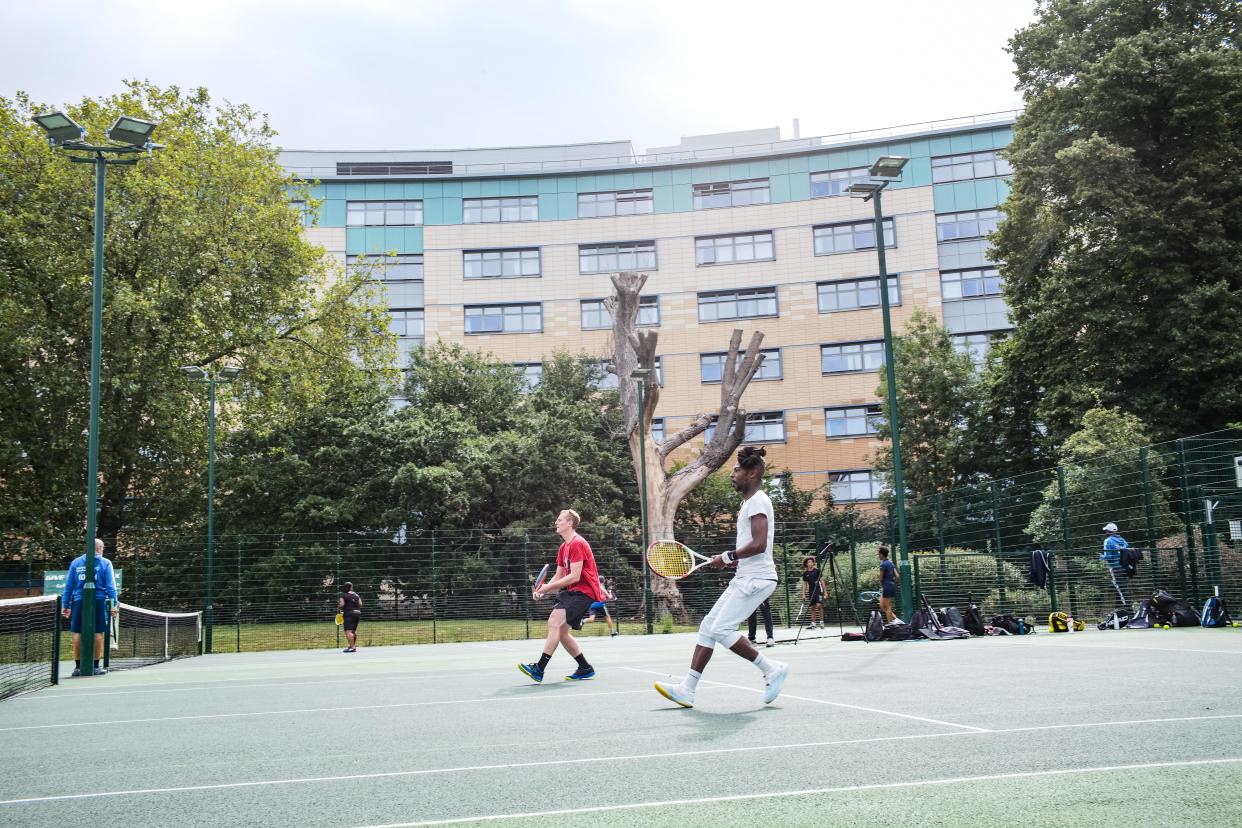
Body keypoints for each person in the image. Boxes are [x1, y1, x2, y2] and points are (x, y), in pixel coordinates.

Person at [654, 447, 789, 708]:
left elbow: (760, 544)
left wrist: (727, 556)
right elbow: (753, 546)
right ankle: (687, 690)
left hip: (757, 579)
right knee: (708, 627)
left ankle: (772, 669)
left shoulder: (758, 501)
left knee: (721, 629)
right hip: (745, 576)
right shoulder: (749, 503)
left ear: (751, 473)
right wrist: (733, 559)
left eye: (737, 470)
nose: (733, 475)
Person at [519, 509, 605, 682]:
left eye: (559, 520)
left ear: (570, 523)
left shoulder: (577, 544)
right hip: (572, 591)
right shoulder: (563, 547)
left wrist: (547, 587)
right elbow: (558, 576)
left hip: (584, 591)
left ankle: (539, 668)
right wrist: (542, 591)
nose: (556, 523)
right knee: (562, 632)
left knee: (554, 622)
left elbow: (575, 576)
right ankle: (585, 668)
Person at [60, 538, 118, 677]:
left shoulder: (75, 562)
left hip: (79, 601)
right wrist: (114, 605)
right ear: (99, 548)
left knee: (77, 632)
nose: (102, 551)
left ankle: (78, 668)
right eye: (102, 548)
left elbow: (68, 587)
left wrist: (66, 605)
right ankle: (96, 666)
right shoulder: (105, 563)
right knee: (97, 632)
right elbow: (110, 587)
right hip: (98, 601)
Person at [1101, 522, 1129, 605]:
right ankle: (1119, 609)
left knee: (1121, 590)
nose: (1105, 532)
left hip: (1115, 567)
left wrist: (1101, 557)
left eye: (1106, 530)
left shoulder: (1107, 541)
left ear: (1107, 531)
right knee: (1121, 588)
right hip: (1124, 566)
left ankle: (1129, 610)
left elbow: (1108, 556)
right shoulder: (1122, 540)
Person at [801, 556, 828, 629]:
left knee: (819, 606)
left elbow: (822, 581)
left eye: (811, 561)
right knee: (812, 607)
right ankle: (813, 624)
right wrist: (803, 594)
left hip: (819, 590)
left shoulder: (817, 571)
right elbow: (804, 584)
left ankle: (822, 623)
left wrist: (825, 592)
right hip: (811, 591)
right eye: (809, 562)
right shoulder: (805, 574)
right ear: (806, 564)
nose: (811, 563)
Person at [338, 582, 363, 652]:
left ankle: (352, 647)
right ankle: (352, 646)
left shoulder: (343, 595)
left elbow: (342, 604)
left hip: (349, 614)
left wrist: (339, 608)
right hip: (357, 613)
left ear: (345, 587)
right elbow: (360, 604)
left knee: (348, 632)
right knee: (353, 631)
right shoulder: (356, 595)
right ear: (351, 587)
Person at [878, 547, 900, 624]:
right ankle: (897, 620)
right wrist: (892, 581)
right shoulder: (891, 563)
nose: (878, 556)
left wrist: (883, 585)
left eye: (879, 554)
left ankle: (891, 625)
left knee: (887, 607)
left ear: (882, 554)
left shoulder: (883, 564)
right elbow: (897, 576)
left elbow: (880, 578)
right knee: (882, 605)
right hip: (892, 586)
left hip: (886, 587)